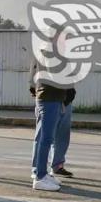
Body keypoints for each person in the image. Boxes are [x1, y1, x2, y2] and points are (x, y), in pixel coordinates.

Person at [29, 61, 76, 191]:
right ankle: (39, 175)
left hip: (56, 97)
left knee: (50, 138)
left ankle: (45, 172)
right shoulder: (48, 49)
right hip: (49, 97)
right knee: (45, 138)